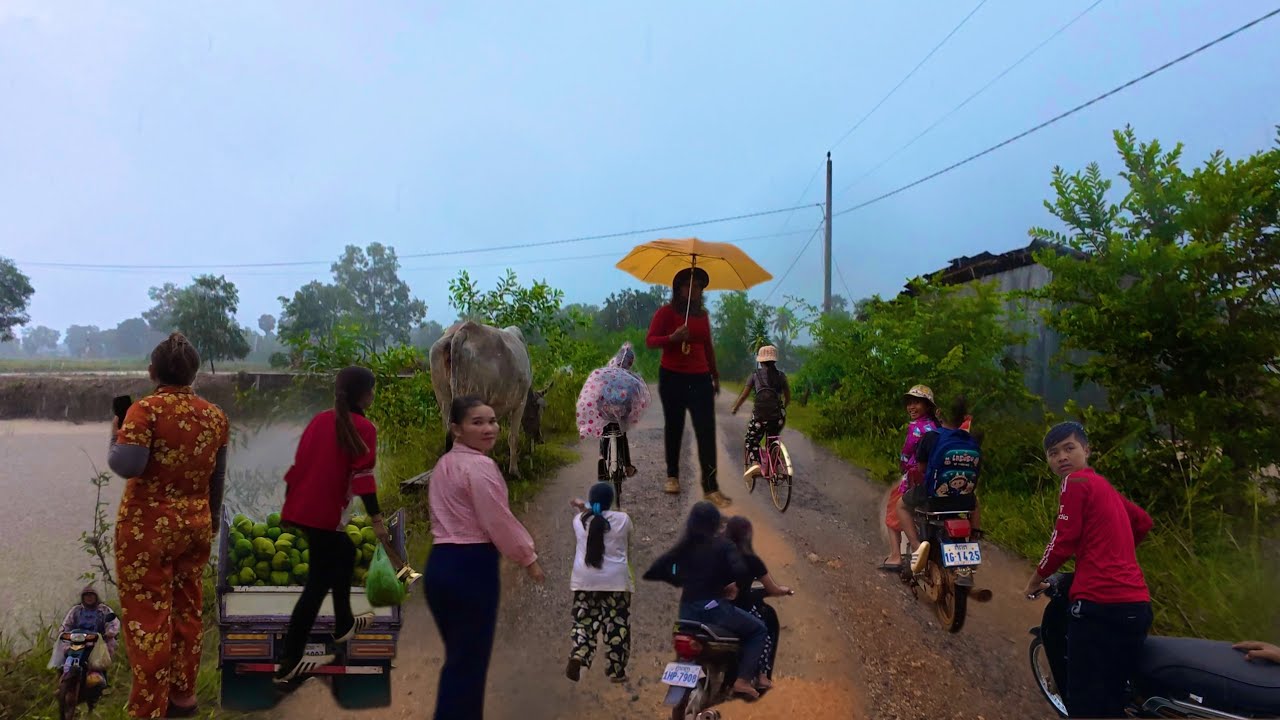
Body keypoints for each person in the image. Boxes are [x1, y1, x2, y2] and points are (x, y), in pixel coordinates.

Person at [109, 332, 229, 719]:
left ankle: (148, 708)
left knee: (148, 618)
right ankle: (183, 697)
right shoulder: (214, 416)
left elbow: (128, 465)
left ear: (152, 371)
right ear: (193, 373)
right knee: (187, 609)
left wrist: (116, 434)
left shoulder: (144, 412)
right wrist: (210, 520)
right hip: (195, 524)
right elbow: (217, 477)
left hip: (147, 532)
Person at [426, 396, 546, 720]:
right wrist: (528, 558)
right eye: (477, 422)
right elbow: (497, 520)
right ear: (456, 429)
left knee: (459, 659)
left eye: (492, 421)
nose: (489, 428)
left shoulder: (444, 465)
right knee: (469, 664)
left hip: (439, 565)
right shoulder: (480, 466)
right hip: (470, 566)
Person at [1024, 421, 1154, 719]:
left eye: (1069, 448)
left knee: (1083, 703)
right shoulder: (1102, 486)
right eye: (1053, 453)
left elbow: (1062, 541)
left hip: (1099, 606)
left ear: (1087, 450)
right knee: (1113, 696)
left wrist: (1034, 581)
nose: (1061, 458)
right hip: (1137, 605)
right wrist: (1112, 551)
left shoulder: (1075, 483)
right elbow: (1143, 522)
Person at [274, 366, 391, 684]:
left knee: (345, 554)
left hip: (303, 509)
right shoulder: (365, 428)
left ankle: (343, 625)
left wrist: (293, 508)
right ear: (366, 395)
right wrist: (377, 521)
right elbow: (364, 480)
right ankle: (290, 661)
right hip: (324, 515)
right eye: (373, 390)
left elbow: (301, 463)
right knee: (316, 586)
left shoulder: (319, 419)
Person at [642, 502, 768, 699]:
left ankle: (681, 696)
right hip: (714, 609)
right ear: (715, 522)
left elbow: (655, 570)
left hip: (686, 614)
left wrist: (679, 579)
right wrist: (732, 587)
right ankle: (742, 680)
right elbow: (741, 571)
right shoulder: (723, 545)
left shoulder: (683, 547)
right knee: (758, 629)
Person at [646, 267, 731, 508]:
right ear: (678, 288)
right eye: (689, 285)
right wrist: (672, 338)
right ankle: (672, 476)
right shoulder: (665, 313)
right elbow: (651, 341)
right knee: (674, 427)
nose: (694, 290)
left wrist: (714, 375)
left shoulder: (702, 316)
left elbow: (708, 346)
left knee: (706, 431)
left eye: (699, 287)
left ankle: (711, 487)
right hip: (672, 377)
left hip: (700, 378)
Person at [897, 395, 981, 573]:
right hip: (964, 501)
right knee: (976, 500)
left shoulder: (932, 436)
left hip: (934, 498)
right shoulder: (970, 439)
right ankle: (974, 536)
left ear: (939, 413)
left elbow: (921, 467)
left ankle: (916, 547)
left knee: (901, 506)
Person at [565, 482, 634, 684]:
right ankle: (616, 671)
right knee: (616, 625)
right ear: (611, 501)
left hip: (584, 581)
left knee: (584, 621)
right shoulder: (623, 520)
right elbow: (602, 514)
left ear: (591, 501)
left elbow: (594, 513)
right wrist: (587, 504)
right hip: (616, 582)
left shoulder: (579, 520)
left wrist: (583, 505)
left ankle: (579, 653)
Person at [723, 516, 793, 689]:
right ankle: (760, 675)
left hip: (707, 609)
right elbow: (772, 589)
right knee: (764, 632)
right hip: (737, 611)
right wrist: (783, 590)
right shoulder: (751, 560)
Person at [880, 385, 938, 572]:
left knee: (893, 509)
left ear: (927, 406)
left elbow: (905, 455)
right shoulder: (936, 427)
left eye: (917, 403)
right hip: (934, 480)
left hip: (915, 479)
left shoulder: (916, 428)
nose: (912, 407)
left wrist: (903, 467)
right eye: (910, 403)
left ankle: (900, 555)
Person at [576, 341, 650, 480]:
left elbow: (597, 391)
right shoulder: (629, 377)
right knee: (622, 434)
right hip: (621, 411)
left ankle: (601, 459)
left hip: (605, 409)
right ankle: (627, 465)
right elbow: (634, 396)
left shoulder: (606, 371)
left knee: (605, 432)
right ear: (630, 362)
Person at [730, 345, 791, 479]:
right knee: (773, 437)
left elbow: (744, 396)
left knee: (751, 439)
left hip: (760, 416)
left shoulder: (754, 375)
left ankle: (756, 463)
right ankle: (774, 466)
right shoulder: (781, 376)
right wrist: (782, 409)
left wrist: (735, 407)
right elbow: (788, 397)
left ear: (760, 361)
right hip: (778, 417)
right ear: (774, 360)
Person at [49, 585, 121, 689]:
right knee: (66, 654)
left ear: (96, 597)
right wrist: (63, 631)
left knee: (98, 661)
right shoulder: (76, 610)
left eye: (91, 595)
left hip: (97, 640)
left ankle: (102, 681)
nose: (89, 598)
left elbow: (113, 623)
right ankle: (63, 677)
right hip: (77, 638)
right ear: (83, 598)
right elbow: (67, 624)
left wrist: (109, 632)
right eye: (86, 596)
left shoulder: (104, 610)